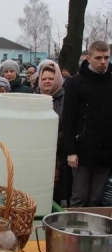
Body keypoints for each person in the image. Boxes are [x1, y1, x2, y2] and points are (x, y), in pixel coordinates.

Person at [63, 41, 112, 207]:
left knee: (96, 199)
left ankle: (93, 233)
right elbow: (68, 119)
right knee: (79, 197)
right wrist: (71, 151)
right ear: (88, 58)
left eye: (106, 57)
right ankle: (74, 233)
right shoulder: (75, 83)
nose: (103, 62)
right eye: (98, 58)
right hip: (81, 150)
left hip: (106, 152)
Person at [38, 62, 71, 205]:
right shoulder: (34, 98)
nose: (47, 81)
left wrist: (50, 140)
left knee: (56, 192)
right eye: (44, 78)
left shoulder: (66, 100)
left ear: (57, 79)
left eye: (51, 79)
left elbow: (69, 126)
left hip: (59, 154)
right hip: (37, 153)